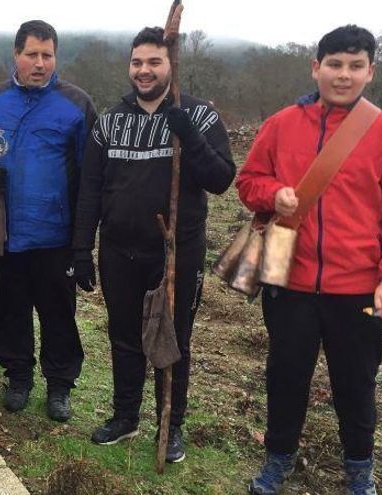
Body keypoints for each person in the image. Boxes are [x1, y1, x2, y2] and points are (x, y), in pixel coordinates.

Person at [236, 25, 382, 495]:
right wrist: (274, 194)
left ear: (370, 72)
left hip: (358, 288)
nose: (344, 75)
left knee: (355, 385)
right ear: (316, 68)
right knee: (286, 377)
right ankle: (278, 460)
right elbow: (248, 182)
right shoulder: (280, 125)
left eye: (355, 66)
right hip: (289, 283)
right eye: (334, 65)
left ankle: (360, 469)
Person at [70, 26, 235, 463]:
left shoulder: (196, 116)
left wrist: (189, 137)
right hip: (118, 251)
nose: (144, 71)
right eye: (137, 62)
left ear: (171, 65)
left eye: (154, 62)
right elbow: (90, 191)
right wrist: (81, 249)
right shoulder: (109, 123)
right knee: (124, 337)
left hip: (176, 253)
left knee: (173, 338)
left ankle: (170, 424)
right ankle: (126, 417)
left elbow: (221, 179)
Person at [0, 20, 96, 421]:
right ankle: (18, 376)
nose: (39, 63)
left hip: (55, 236)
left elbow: (91, 173)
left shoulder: (76, 104)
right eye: (31, 54)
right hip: (5, 234)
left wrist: (84, 240)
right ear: (15, 55)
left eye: (47, 55)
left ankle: (59, 385)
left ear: (55, 57)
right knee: (11, 311)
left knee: (58, 315)